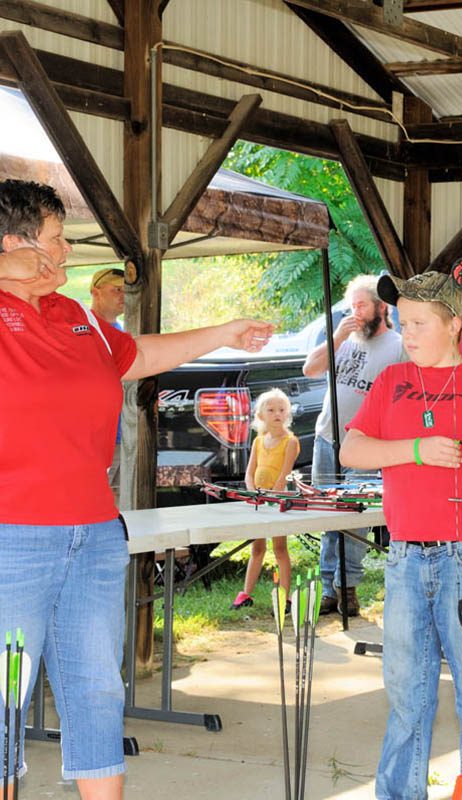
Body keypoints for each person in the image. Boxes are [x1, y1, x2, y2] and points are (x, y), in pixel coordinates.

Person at [0, 179, 274, 799]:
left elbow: (137, 356)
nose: (67, 251)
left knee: (97, 687)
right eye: (54, 239)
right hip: (11, 536)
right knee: (2, 693)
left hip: (94, 533)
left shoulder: (76, 316)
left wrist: (223, 331)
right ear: (17, 246)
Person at [340, 270, 462, 800]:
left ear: (454, 323)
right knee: (407, 695)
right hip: (405, 559)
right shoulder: (390, 382)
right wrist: (415, 449)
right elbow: (352, 450)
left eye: (419, 323)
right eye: (403, 322)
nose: (406, 333)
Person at [303, 274, 403, 616]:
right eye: (352, 306)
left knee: (354, 516)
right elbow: (309, 369)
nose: (355, 312)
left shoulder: (398, 346)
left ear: (381, 306)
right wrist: (337, 336)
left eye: (361, 305)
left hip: (365, 444)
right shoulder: (344, 339)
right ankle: (328, 586)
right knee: (327, 513)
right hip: (327, 437)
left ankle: (348, 588)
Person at [230, 388, 300, 610]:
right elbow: (250, 472)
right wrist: (253, 493)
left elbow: (284, 475)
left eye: (281, 410)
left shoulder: (290, 442)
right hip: (257, 501)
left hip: (277, 501)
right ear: (260, 415)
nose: (277, 414)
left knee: (280, 548)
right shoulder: (259, 441)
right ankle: (246, 593)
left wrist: (272, 496)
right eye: (271, 410)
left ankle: (285, 596)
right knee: (257, 548)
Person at [90, 267, 126, 500]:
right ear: (96, 292)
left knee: (118, 500)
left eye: (127, 291)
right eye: (116, 290)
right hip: (96, 435)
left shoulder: (121, 332)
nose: (123, 296)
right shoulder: (85, 330)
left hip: (121, 433)